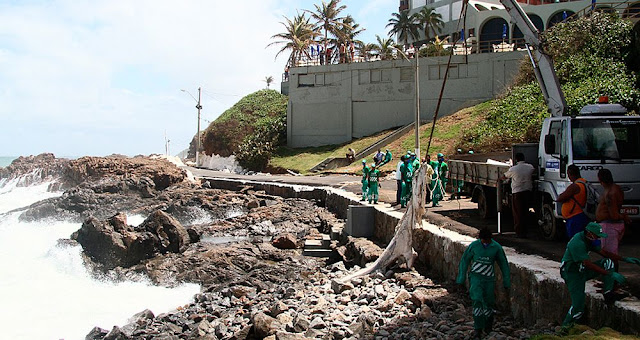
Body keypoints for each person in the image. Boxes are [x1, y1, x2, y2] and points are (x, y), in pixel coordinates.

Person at [559, 222, 639, 329]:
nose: (598, 238)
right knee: (578, 305)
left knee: (608, 262)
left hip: (582, 270)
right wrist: (610, 274)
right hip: (572, 274)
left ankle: (608, 294)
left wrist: (624, 259)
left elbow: (604, 253)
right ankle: (565, 328)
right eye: (597, 236)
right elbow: (587, 263)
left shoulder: (587, 239)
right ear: (589, 233)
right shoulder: (578, 243)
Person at [456, 228, 511, 340]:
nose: (484, 242)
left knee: (489, 302)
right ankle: (478, 328)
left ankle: (488, 325)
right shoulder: (474, 246)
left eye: (486, 240)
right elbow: (465, 261)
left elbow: (504, 265)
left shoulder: (496, 248)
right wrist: (460, 279)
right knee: (477, 301)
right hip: (476, 279)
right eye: (483, 240)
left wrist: (507, 281)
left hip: (489, 280)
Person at [596, 169, 631, 263]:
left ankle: (612, 276)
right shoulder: (616, 189)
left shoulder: (610, 193)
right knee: (610, 255)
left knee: (610, 255)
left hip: (609, 226)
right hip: (611, 225)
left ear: (599, 179)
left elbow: (614, 215)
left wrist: (623, 216)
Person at [500, 153, 535, 238]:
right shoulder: (530, 167)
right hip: (527, 191)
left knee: (517, 213)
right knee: (525, 211)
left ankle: (519, 232)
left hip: (517, 192)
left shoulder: (513, 169)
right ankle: (526, 231)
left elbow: (504, 176)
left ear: (516, 160)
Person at [557, 165, 590, 240]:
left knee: (575, 241)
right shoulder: (584, 182)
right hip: (582, 215)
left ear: (570, 174)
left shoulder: (575, 186)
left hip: (575, 217)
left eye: (568, 175)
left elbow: (560, 198)